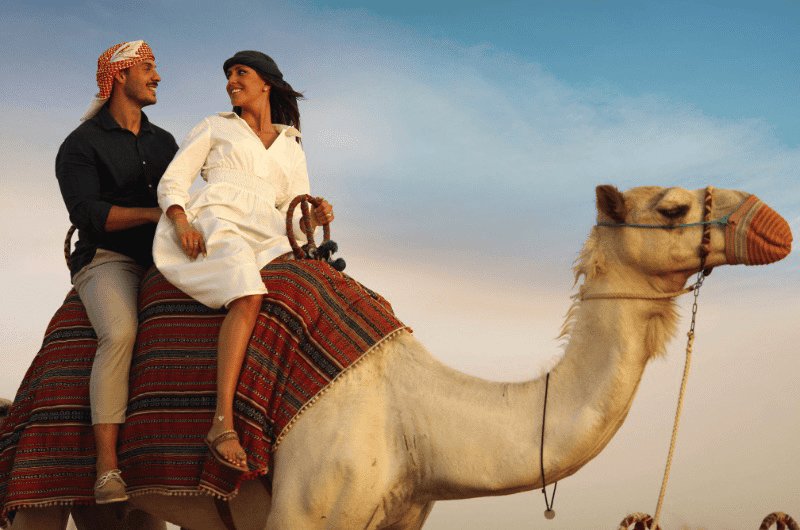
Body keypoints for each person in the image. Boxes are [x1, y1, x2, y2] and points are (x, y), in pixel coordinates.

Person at [153, 50, 333, 471]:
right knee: (248, 292)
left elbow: (293, 212)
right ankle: (222, 422)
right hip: (219, 219)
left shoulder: (291, 145)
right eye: (229, 75)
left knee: (311, 288)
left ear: (266, 82)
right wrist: (182, 223)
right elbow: (173, 181)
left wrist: (315, 218)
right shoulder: (215, 125)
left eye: (240, 72)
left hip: (268, 230)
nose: (231, 81)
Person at [56, 40, 179, 503]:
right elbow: (89, 215)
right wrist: (155, 215)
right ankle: (106, 467)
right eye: (148, 68)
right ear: (120, 76)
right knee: (120, 332)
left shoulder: (165, 142)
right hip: (108, 258)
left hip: (167, 258)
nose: (157, 76)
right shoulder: (80, 145)